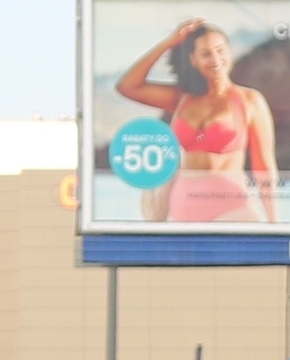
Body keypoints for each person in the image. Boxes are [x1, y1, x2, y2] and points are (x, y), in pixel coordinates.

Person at [113, 19, 279, 222]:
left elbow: (264, 167)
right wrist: (170, 42)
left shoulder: (250, 101)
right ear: (193, 60)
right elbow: (127, 86)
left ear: (230, 52)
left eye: (220, 50)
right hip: (182, 207)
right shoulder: (183, 98)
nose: (216, 59)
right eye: (206, 54)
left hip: (232, 206)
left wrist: (274, 222)